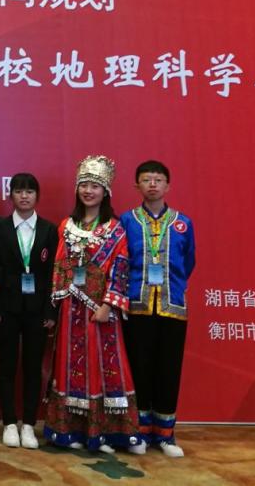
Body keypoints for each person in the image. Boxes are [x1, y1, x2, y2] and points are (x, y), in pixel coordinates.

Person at [43, 155, 146, 455]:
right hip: (69, 308)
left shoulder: (115, 229)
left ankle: (107, 433)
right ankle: (68, 430)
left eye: (95, 186)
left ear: (106, 191)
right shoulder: (66, 226)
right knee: (68, 368)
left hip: (100, 311)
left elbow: (121, 268)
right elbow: (58, 265)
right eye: (84, 185)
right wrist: (59, 297)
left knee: (104, 367)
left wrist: (108, 305)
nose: (88, 191)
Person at [119, 160, 196, 457]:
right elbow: (121, 261)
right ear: (136, 185)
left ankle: (165, 435)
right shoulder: (126, 221)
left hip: (172, 306)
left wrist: (171, 285)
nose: (152, 184)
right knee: (139, 368)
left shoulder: (182, 223)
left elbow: (188, 261)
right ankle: (138, 432)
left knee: (168, 369)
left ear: (168, 185)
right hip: (136, 305)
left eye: (158, 179)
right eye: (146, 179)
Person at [0, 173, 58, 449]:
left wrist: (50, 311)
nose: (24, 196)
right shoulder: (0, 228)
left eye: (29, 191)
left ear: (37, 196)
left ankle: (28, 424)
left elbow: (53, 274)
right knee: (6, 366)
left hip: (37, 311)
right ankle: (8, 423)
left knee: (32, 368)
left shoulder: (49, 230)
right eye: (18, 191)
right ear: (11, 196)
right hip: (7, 309)